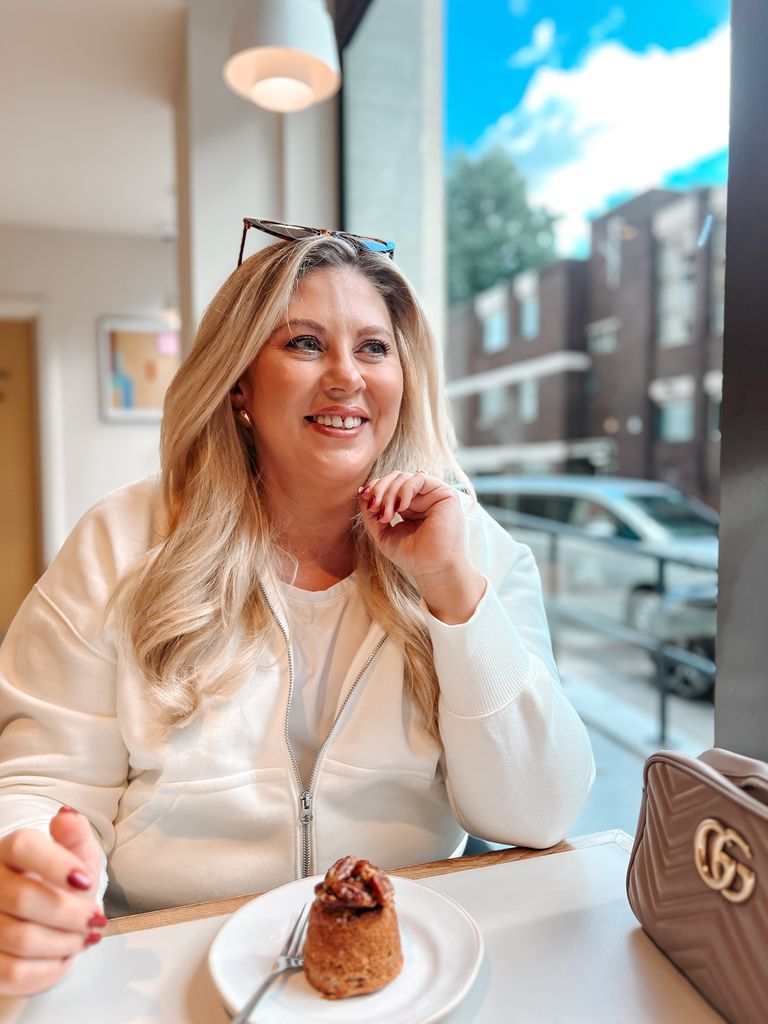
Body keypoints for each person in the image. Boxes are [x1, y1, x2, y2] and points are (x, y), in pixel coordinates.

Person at [0, 219, 594, 995]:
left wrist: (454, 595)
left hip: (409, 968)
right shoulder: (122, 540)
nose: (347, 377)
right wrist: (35, 864)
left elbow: (540, 814)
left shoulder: (469, 548)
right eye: (305, 344)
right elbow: (45, 780)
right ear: (240, 383)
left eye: (374, 348)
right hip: (165, 963)